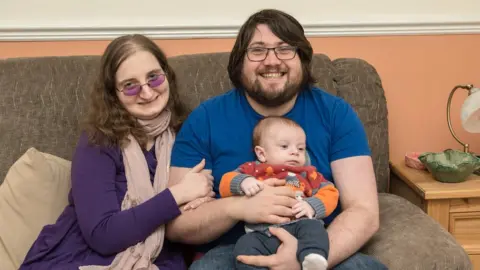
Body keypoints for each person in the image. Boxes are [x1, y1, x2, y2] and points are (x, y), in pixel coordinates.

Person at [167, 8, 387, 270]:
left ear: (302, 59)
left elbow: (364, 211)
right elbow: (176, 225)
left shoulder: (335, 113)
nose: (272, 61)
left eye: (284, 49)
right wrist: (238, 207)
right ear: (240, 62)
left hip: (319, 243)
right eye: (258, 50)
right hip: (234, 251)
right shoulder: (205, 119)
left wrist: (305, 260)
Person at [19, 34, 214, 270]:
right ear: (113, 94)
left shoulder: (190, 132)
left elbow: (200, 212)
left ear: (167, 76)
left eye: (153, 78)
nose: (147, 92)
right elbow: (103, 234)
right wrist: (178, 195)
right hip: (83, 257)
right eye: (130, 86)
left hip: (160, 258)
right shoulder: (99, 140)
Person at [219, 116, 339, 270]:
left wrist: (313, 206)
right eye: (284, 146)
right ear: (262, 154)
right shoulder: (253, 169)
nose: (295, 152)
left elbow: (330, 191)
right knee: (244, 246)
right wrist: (243, 182)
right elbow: (225, 182)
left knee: (315, 230)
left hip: (300, 226)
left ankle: (312, 259)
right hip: (262, 232)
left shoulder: (308, 173)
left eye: (301, 148)